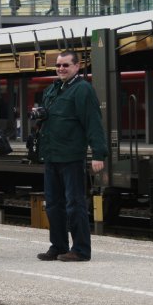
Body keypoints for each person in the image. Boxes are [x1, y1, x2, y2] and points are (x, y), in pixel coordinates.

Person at [36, 50, 107, 262]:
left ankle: (81, 250)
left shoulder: (82, 90)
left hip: (71, 157)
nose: (61, 69)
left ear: (77, 66)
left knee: (74, 203)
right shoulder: (53, 89)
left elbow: (93, 122)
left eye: (66, 65)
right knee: (53, 204)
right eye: (58, 65)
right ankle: (58, 246)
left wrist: (98, 153)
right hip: (51, 156)